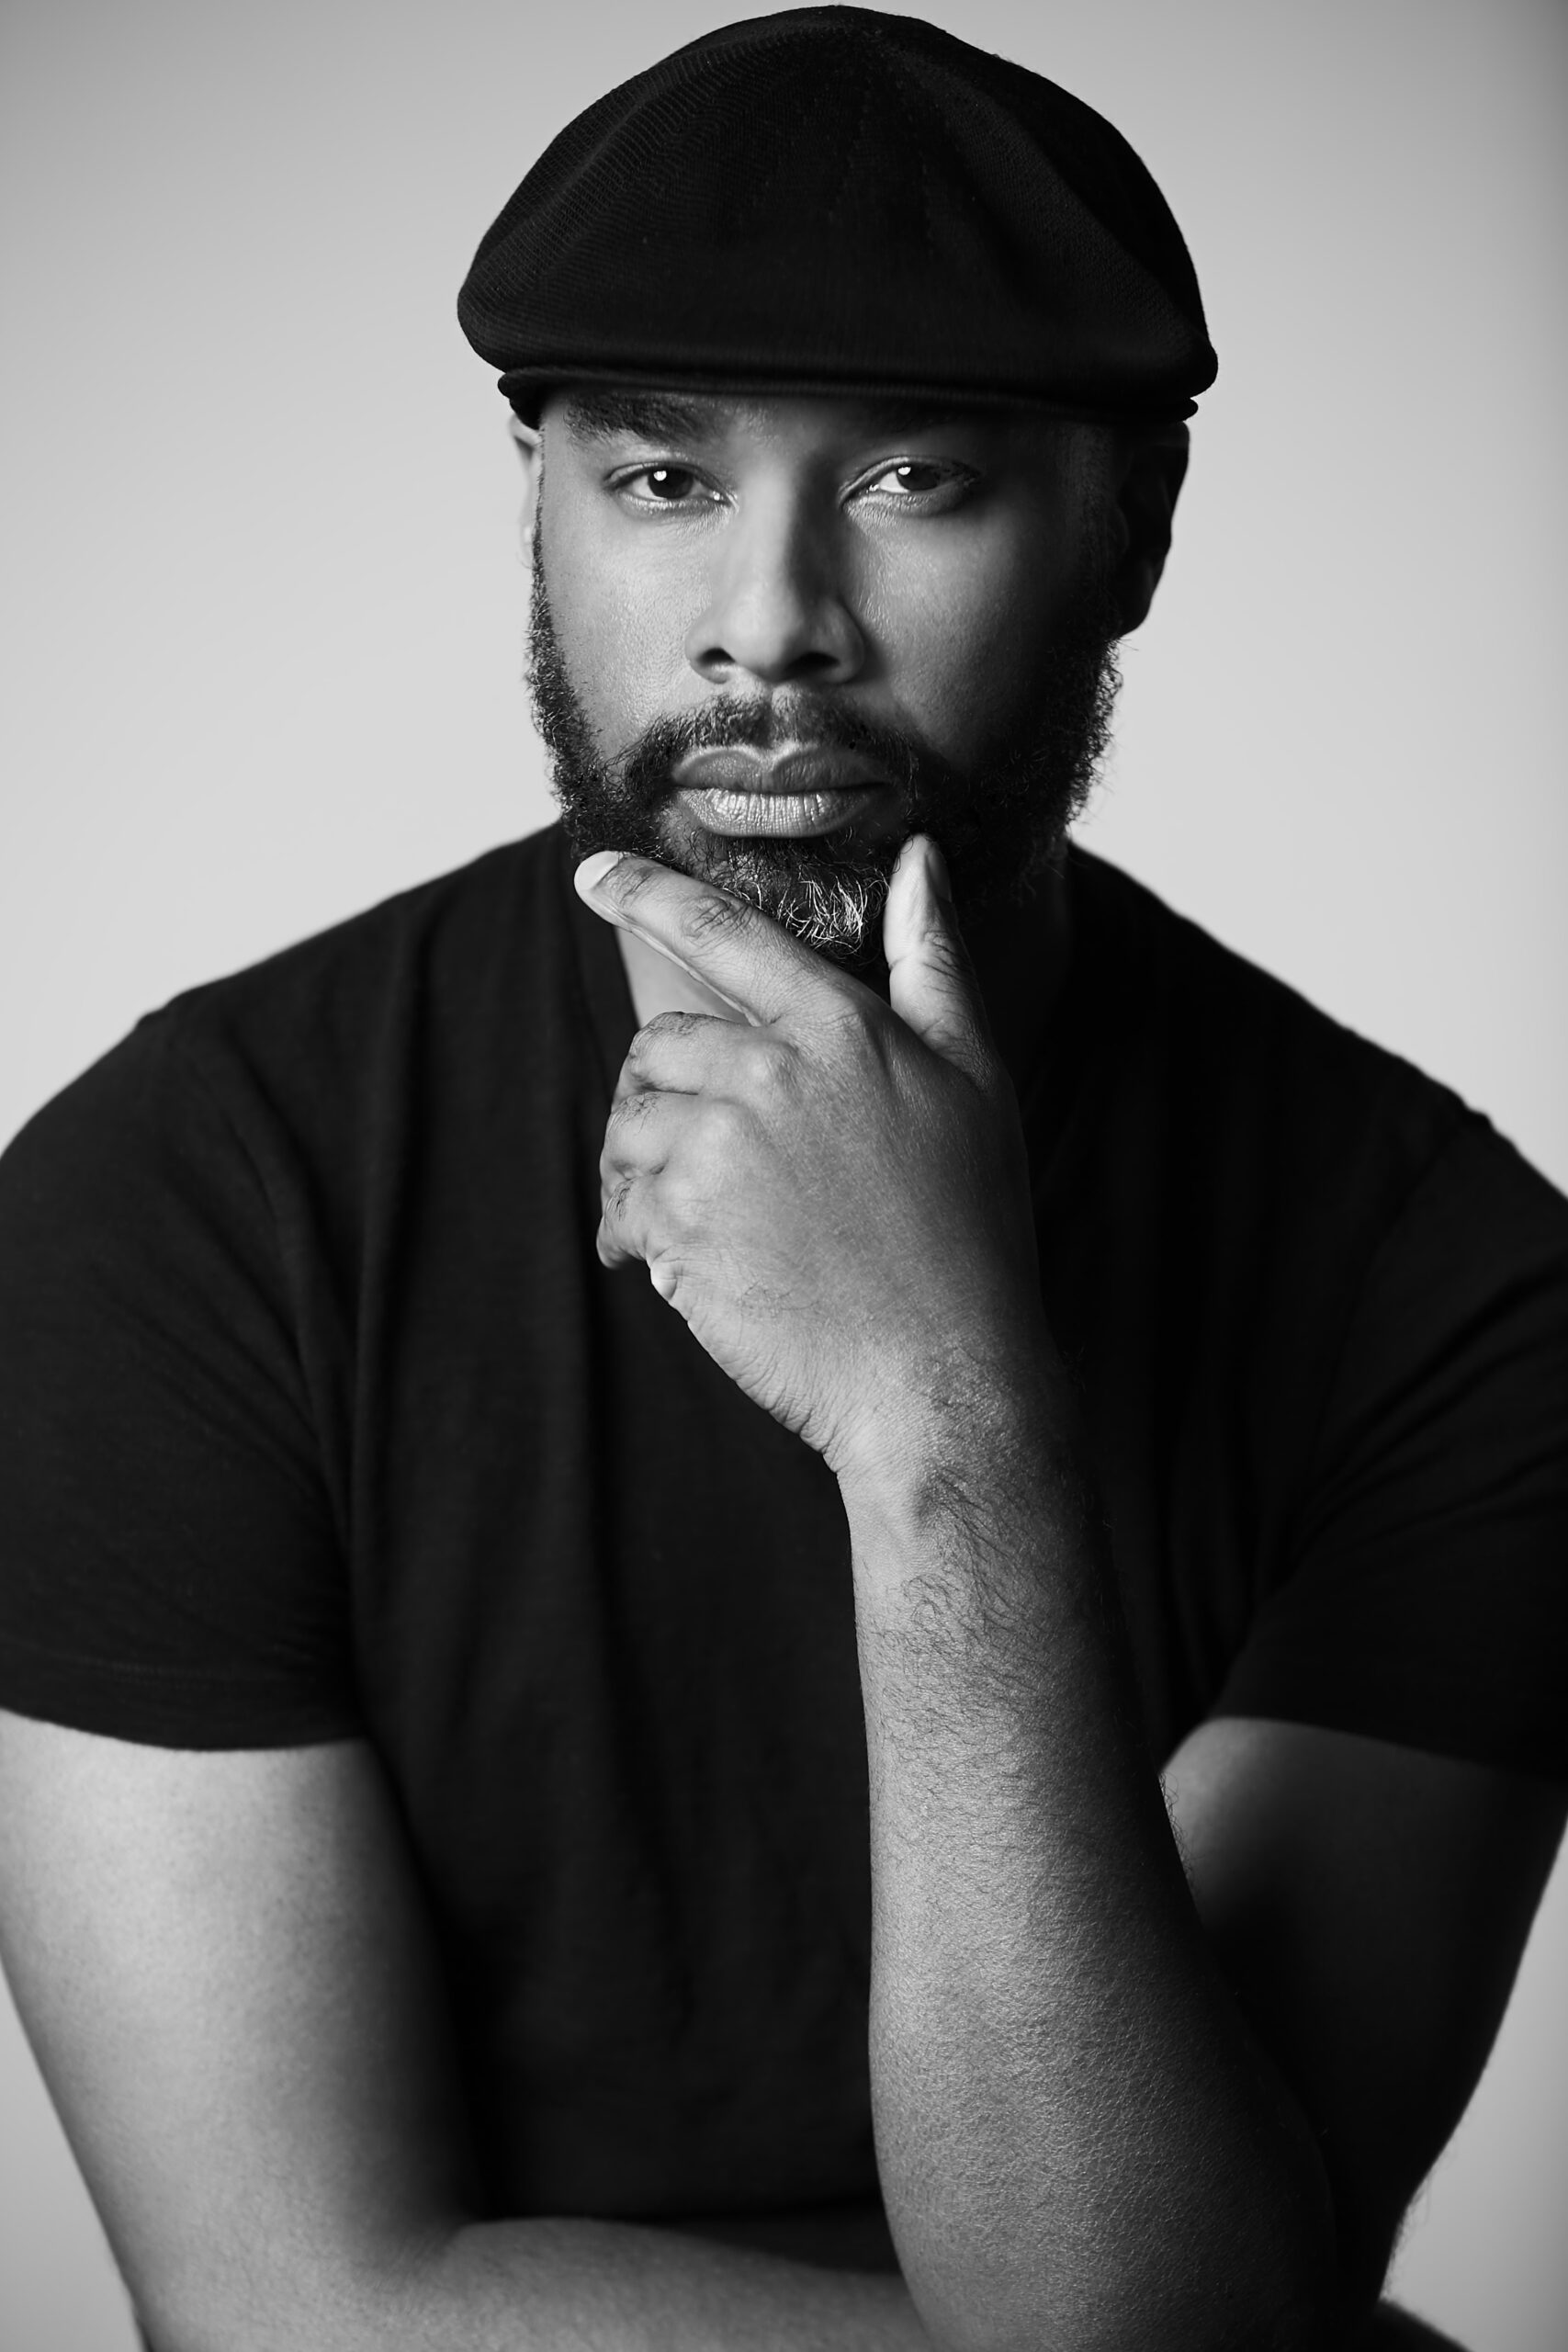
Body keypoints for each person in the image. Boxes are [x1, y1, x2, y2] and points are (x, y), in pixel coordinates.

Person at [0, 9, 1563, 2348]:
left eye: (914, 480)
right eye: (658, 478)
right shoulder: (177, 1213)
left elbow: (1134, 2308)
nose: (765, 623)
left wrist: (941, 1412)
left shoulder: (1453, 1296)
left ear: (1128, 528)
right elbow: (285, 2302)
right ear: (529, 496)